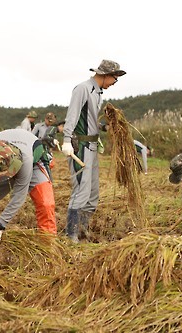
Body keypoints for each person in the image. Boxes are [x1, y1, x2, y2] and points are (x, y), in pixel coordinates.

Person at [61, 59, 126, 243]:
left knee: (93, 194)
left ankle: (83, 230)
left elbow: (89, 121)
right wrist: (66, 140)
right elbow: (72, 116)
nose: (115, 82)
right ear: (105, 75)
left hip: (92, 146)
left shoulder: (98, 93)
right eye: (115, 78)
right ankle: (71, 235)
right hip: (79, 146)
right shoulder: (83, 89)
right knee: (81, 190)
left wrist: (103, 127)